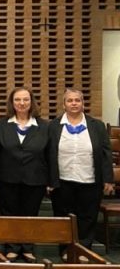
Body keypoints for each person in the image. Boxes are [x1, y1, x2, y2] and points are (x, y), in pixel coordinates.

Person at [48, 88, 114, 255]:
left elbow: (106, 154)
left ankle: (84, 250)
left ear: (83, 103)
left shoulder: (96, 126)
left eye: (77, 100)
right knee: (64, 217)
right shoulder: (54, 126)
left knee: (87, 217)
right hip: (62, 180)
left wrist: (108, 179)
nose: (74, 103)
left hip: (90, 179)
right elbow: (47, 154)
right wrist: (49, 179)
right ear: (64, 104)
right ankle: (66, 250)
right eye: (70, 100)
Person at [0, 87, 48, 263]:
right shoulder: (1, 124)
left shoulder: (44, 126)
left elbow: (49, 154)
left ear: (32, 102)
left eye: (25, 99)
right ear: (12, 103)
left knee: (30, 214)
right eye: (17, 100)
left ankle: (27, 247)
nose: (22, 103)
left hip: (35, 178)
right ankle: (12, 247)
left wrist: (51, 180)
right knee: (9, 213)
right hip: (7, 178)